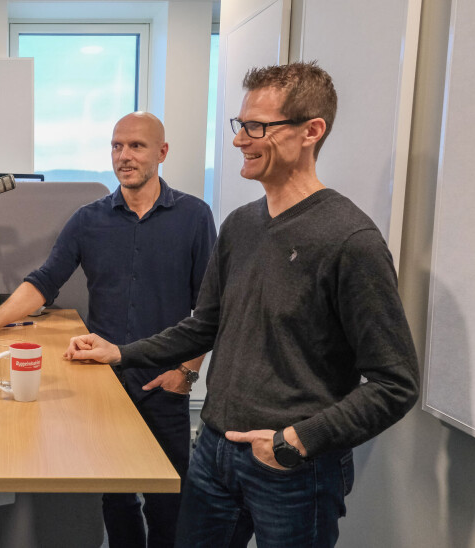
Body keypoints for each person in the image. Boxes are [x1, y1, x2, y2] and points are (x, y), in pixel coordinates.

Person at [65, 62, 420, 548]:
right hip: (215, 451)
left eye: (257, 127)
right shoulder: (241, 225)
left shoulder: (349, 239)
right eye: (241, 125)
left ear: (311, 131)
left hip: (293, 466)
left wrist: (297, 440)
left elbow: (395, 384)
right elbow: (204, 325)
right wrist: (120, 353)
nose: (239, 140)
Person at [0, 112, 217, 548]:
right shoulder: (88, 219)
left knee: (169, 502)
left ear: (162, 153)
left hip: (163, 383)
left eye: (136, 146)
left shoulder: (194, 216)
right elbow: (44, 281)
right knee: (116, 500)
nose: (124, 156)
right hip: (106, 385)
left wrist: (185, 374)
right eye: (117, 146)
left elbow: (209, 309)